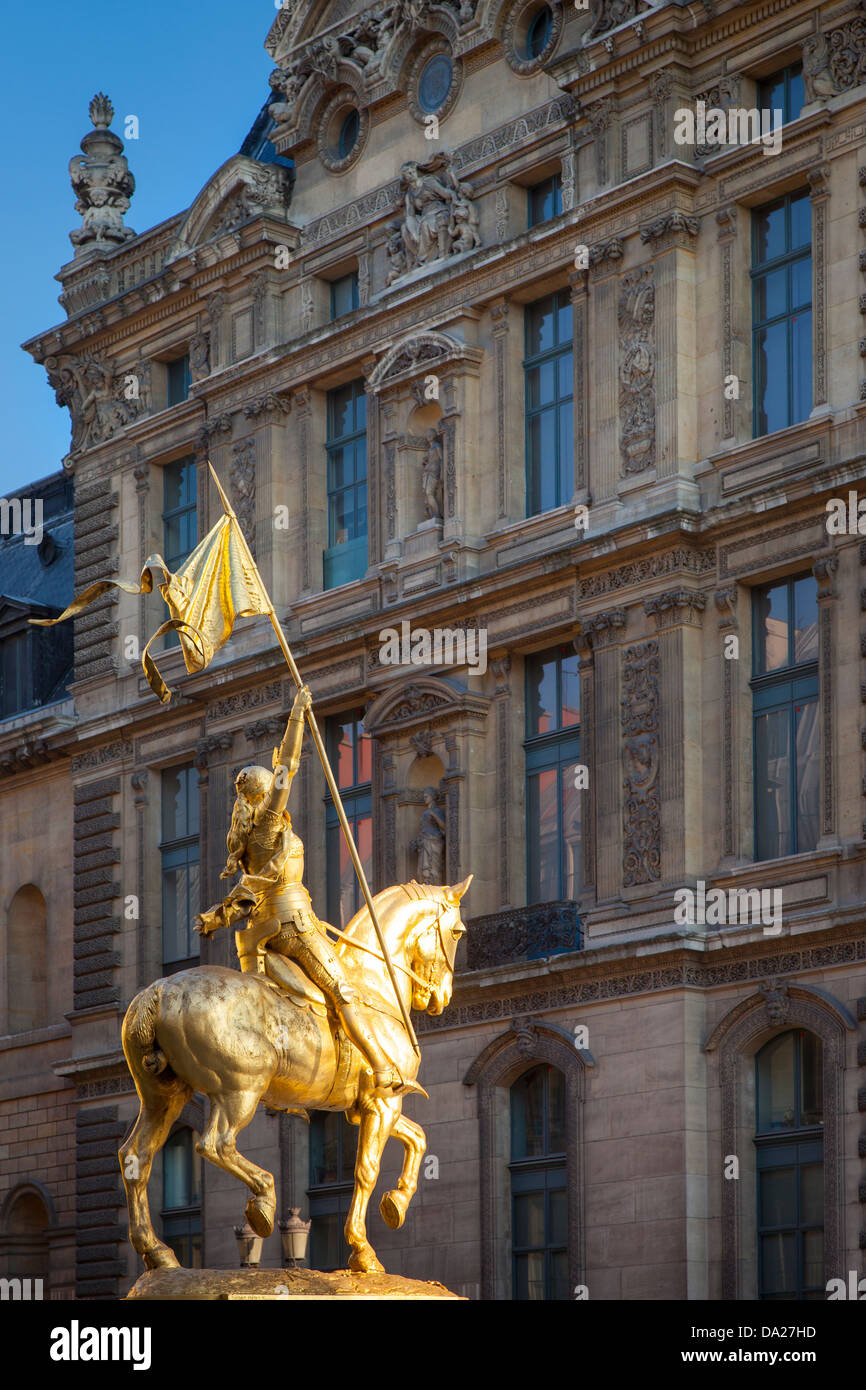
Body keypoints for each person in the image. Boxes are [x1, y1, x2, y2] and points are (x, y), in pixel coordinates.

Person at [195, 683, 420, 1096]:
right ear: (264, 795)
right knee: (344, 990)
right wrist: (297, 714)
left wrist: (220, 914)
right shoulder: (267, 825)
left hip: (262, 934)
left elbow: (250, 887)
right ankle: (382, 1067)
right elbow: (289, 765)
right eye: (274, 792)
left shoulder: (248, 836)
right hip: (293, 927)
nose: (282, 796)